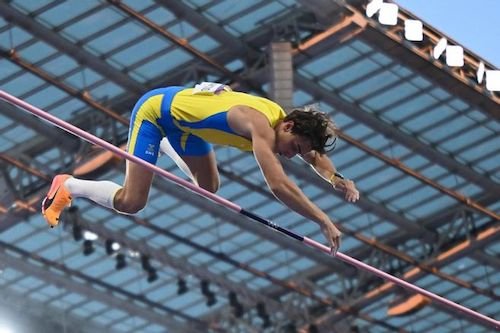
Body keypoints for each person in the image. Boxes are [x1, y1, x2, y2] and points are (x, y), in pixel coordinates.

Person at [42, 82, 359, 254]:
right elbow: (278, 184)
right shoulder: (259, 126)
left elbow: (315, 157)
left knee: (209, 188)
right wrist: (322, 219)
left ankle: (167, 146)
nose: (293, 156)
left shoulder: (281, 124)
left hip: (186, 127)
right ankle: (68, 185)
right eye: (295, 148)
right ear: (288, 126)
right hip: (156, 114)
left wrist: (337, 178)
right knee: (132, 202)